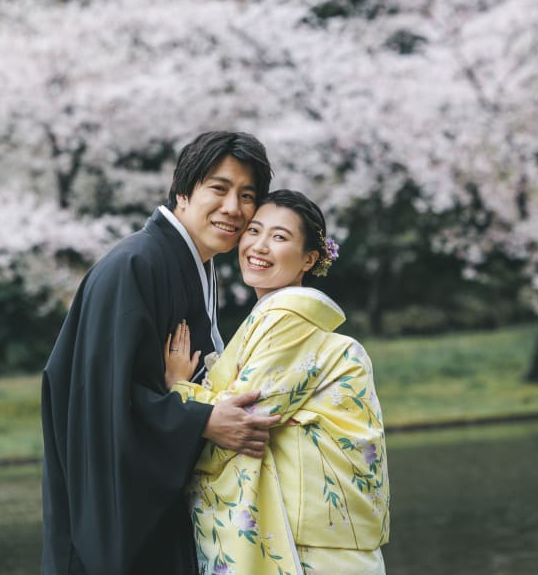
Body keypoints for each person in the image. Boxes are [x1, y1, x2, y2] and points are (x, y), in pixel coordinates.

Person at [40, 131, 282, 575]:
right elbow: (99, 406)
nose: (233, 208)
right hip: (117, 538)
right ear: (183, 191)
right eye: (219, 188)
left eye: (248, 195)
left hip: (167, 521)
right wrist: (199, 418)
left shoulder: (193, 267)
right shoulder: (134, 266)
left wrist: (186, 395)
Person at [165, 190, 391, 575]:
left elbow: (240, 419)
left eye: (280, 237)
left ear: (310, 259)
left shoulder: (290, 317)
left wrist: (179, 389)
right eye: (254, 231)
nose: (259, 246)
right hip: (326, 541)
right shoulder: (276, 320)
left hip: (308, 547)